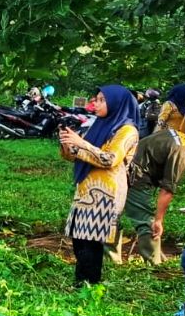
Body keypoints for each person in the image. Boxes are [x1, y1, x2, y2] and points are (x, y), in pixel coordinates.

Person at [58, 85, 140, 286]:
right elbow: (78, 155)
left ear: (116, 103)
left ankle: (89, 286)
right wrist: (68, 144)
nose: (97, 103)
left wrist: (81, 143)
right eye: (96, 99)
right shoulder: (99, 125)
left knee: (91, 243)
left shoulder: (128, 130)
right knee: (79, 240)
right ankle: (81, 283)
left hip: (106, 193)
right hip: (86, 189)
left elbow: (110, 159)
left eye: (102, 100)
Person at [122, 127, 185, 264]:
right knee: (148, 222)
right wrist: (159, 220)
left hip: (127, 164)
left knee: (114, 214)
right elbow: (167, 190)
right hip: (135, 173)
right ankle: (154, 264)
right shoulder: (181, 154)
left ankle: (112, 257)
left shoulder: (177, 134)